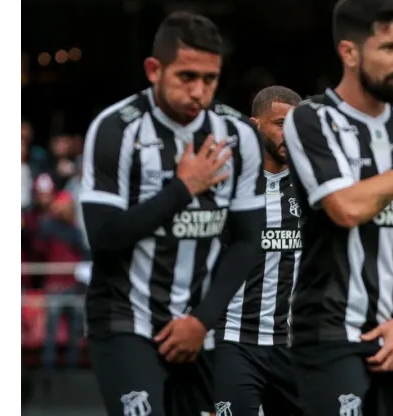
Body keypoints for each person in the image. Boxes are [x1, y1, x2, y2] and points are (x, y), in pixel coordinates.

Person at [79, 12, 266, 416]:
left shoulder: (240, 136)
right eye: (186, 76)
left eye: (210, 79)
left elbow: (249, 239)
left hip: (202, 325)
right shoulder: (115, 130)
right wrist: (184, 189)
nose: (199, 91)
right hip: (126, 320)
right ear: (153, 70)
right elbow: (105, 238)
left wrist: (202, 319)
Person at [282, 0, 393, 414]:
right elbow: (347, 208)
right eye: (389, 48)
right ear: (350, 52)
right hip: (331, 332)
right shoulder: (311, 119)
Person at [213, 85, 304, 416]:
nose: (289, 135)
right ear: (254, 125)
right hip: (233, 339)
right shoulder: (225, 183)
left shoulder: (314, 187)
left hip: (294, 344)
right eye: (280, 124)